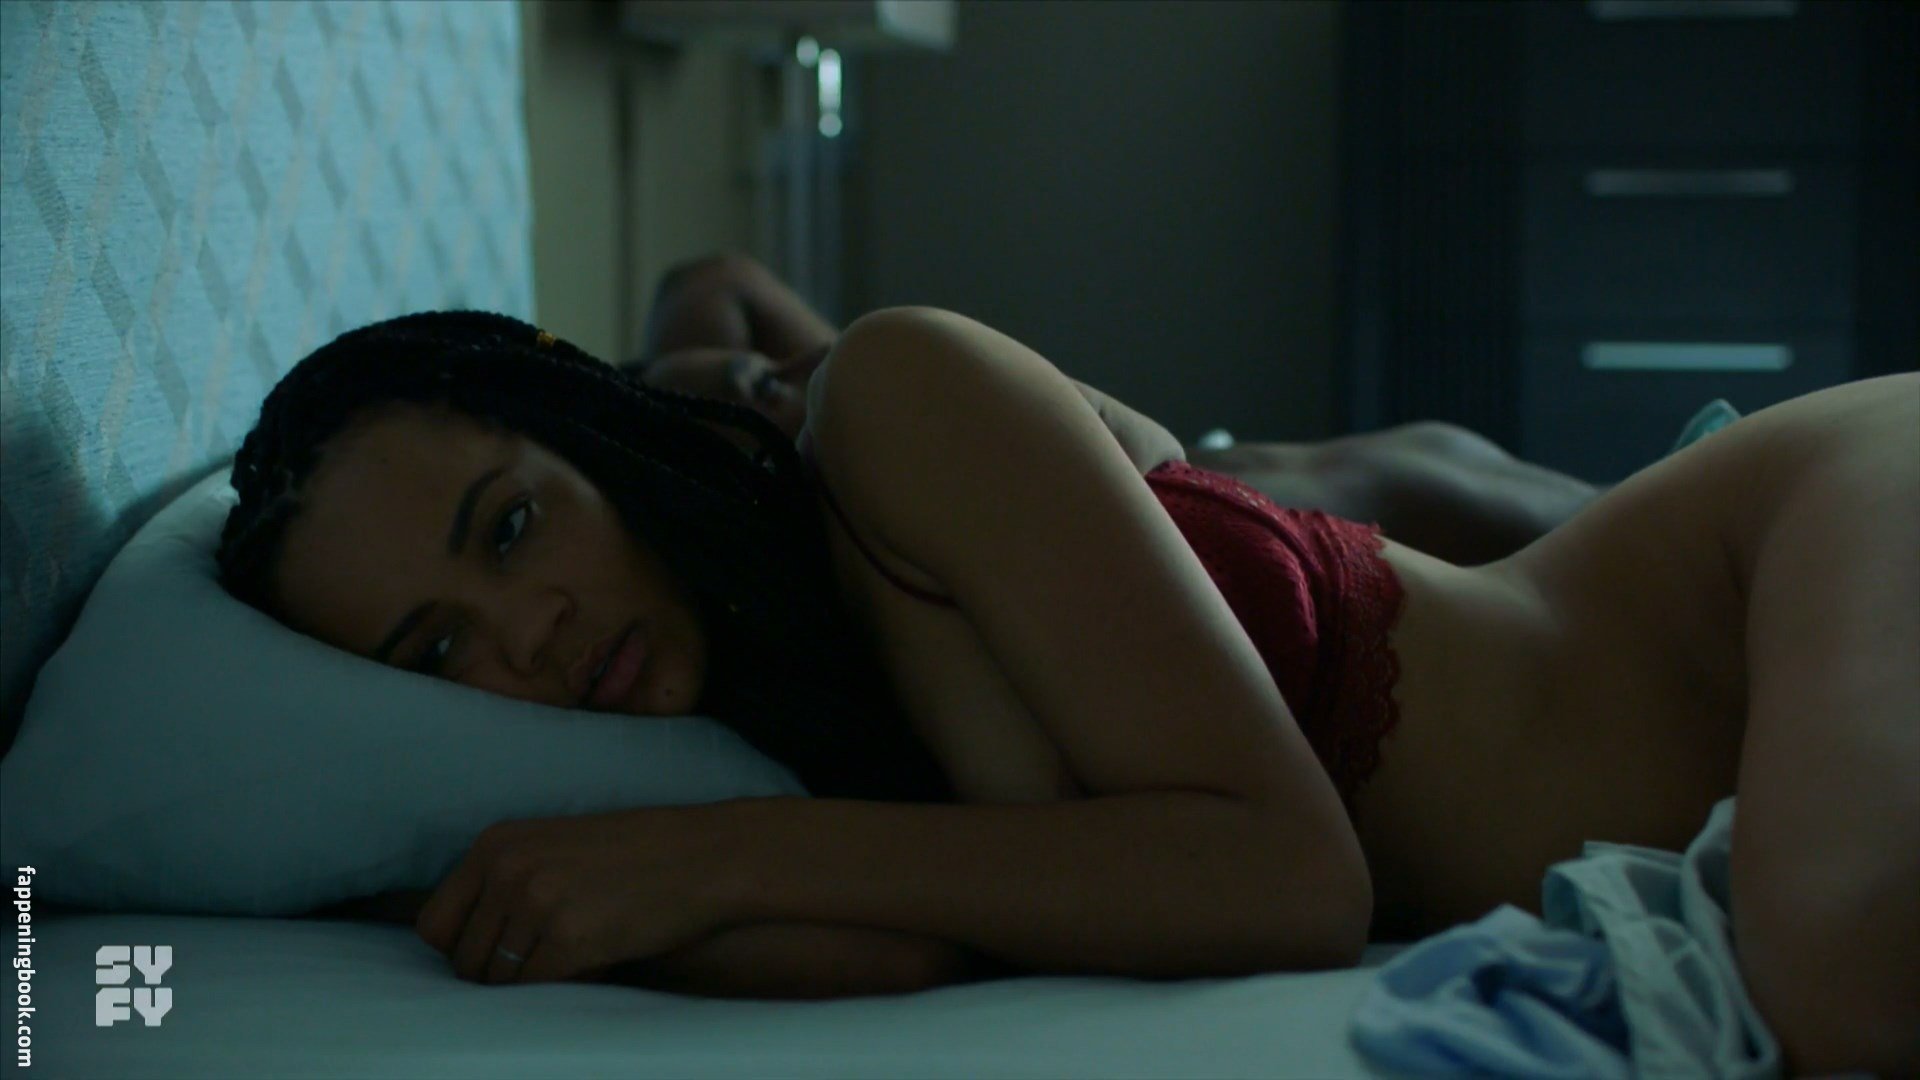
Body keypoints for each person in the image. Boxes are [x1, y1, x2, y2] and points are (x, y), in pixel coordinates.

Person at [221, 305, 1917, 1075]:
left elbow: (1288, 880)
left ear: (591, 437)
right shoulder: (738, 737)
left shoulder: (891, 405)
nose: (522, 637)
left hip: (1772, 550)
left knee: (1841, 988)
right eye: (434, 651)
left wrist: (705, 854)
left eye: (514, 526)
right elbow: (879, 951)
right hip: (1751, 736)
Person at [626, 252, 1604, 567]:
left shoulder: (841, 404)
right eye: (769, 384)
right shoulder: (925, 530)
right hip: (1506, 550)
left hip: (1473, 492)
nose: (811, 357)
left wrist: (638, 396)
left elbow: (711, 278)